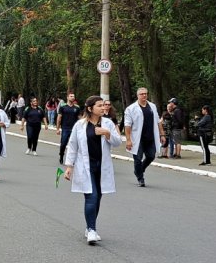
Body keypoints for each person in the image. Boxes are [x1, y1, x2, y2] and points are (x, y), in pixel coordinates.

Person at [63, 96, 122, 245]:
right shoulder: (80, 125)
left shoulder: (107, 123)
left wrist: (107, 133)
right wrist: (69, 166)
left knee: (98, 197)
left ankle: (90, 226)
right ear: (90, 108)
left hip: (101, 167)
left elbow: (117, 142)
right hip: (85, 166)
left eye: (104, 105)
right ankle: (91, 230)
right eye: (100, 106)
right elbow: (73, 145)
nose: (104, 108)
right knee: (92, 196)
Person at [124, 87, 164, 187]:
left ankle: (140, 169)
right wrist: (128, 140)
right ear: (137, 96)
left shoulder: (152, 106)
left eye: (145, 93)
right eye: (142, 94)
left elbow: (158, 121)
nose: (144, 95)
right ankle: (140, 179)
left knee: (151, 156)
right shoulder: (131, 108)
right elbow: (127, 125)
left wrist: (162, 134)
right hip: (138, 138)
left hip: (150, 137)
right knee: (137, 158)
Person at [56, 93, 80, 165]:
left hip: (74, 129)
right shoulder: (63, 107)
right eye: (71, 96)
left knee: (74, 144)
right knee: (63, 144)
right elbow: (59, 118)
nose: (73, 97)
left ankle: (73, 159)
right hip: (65, 128)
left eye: (73, 96)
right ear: (67, 97)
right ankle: (61, 155)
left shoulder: (77, 108)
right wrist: (57, 129)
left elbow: (80, 118)